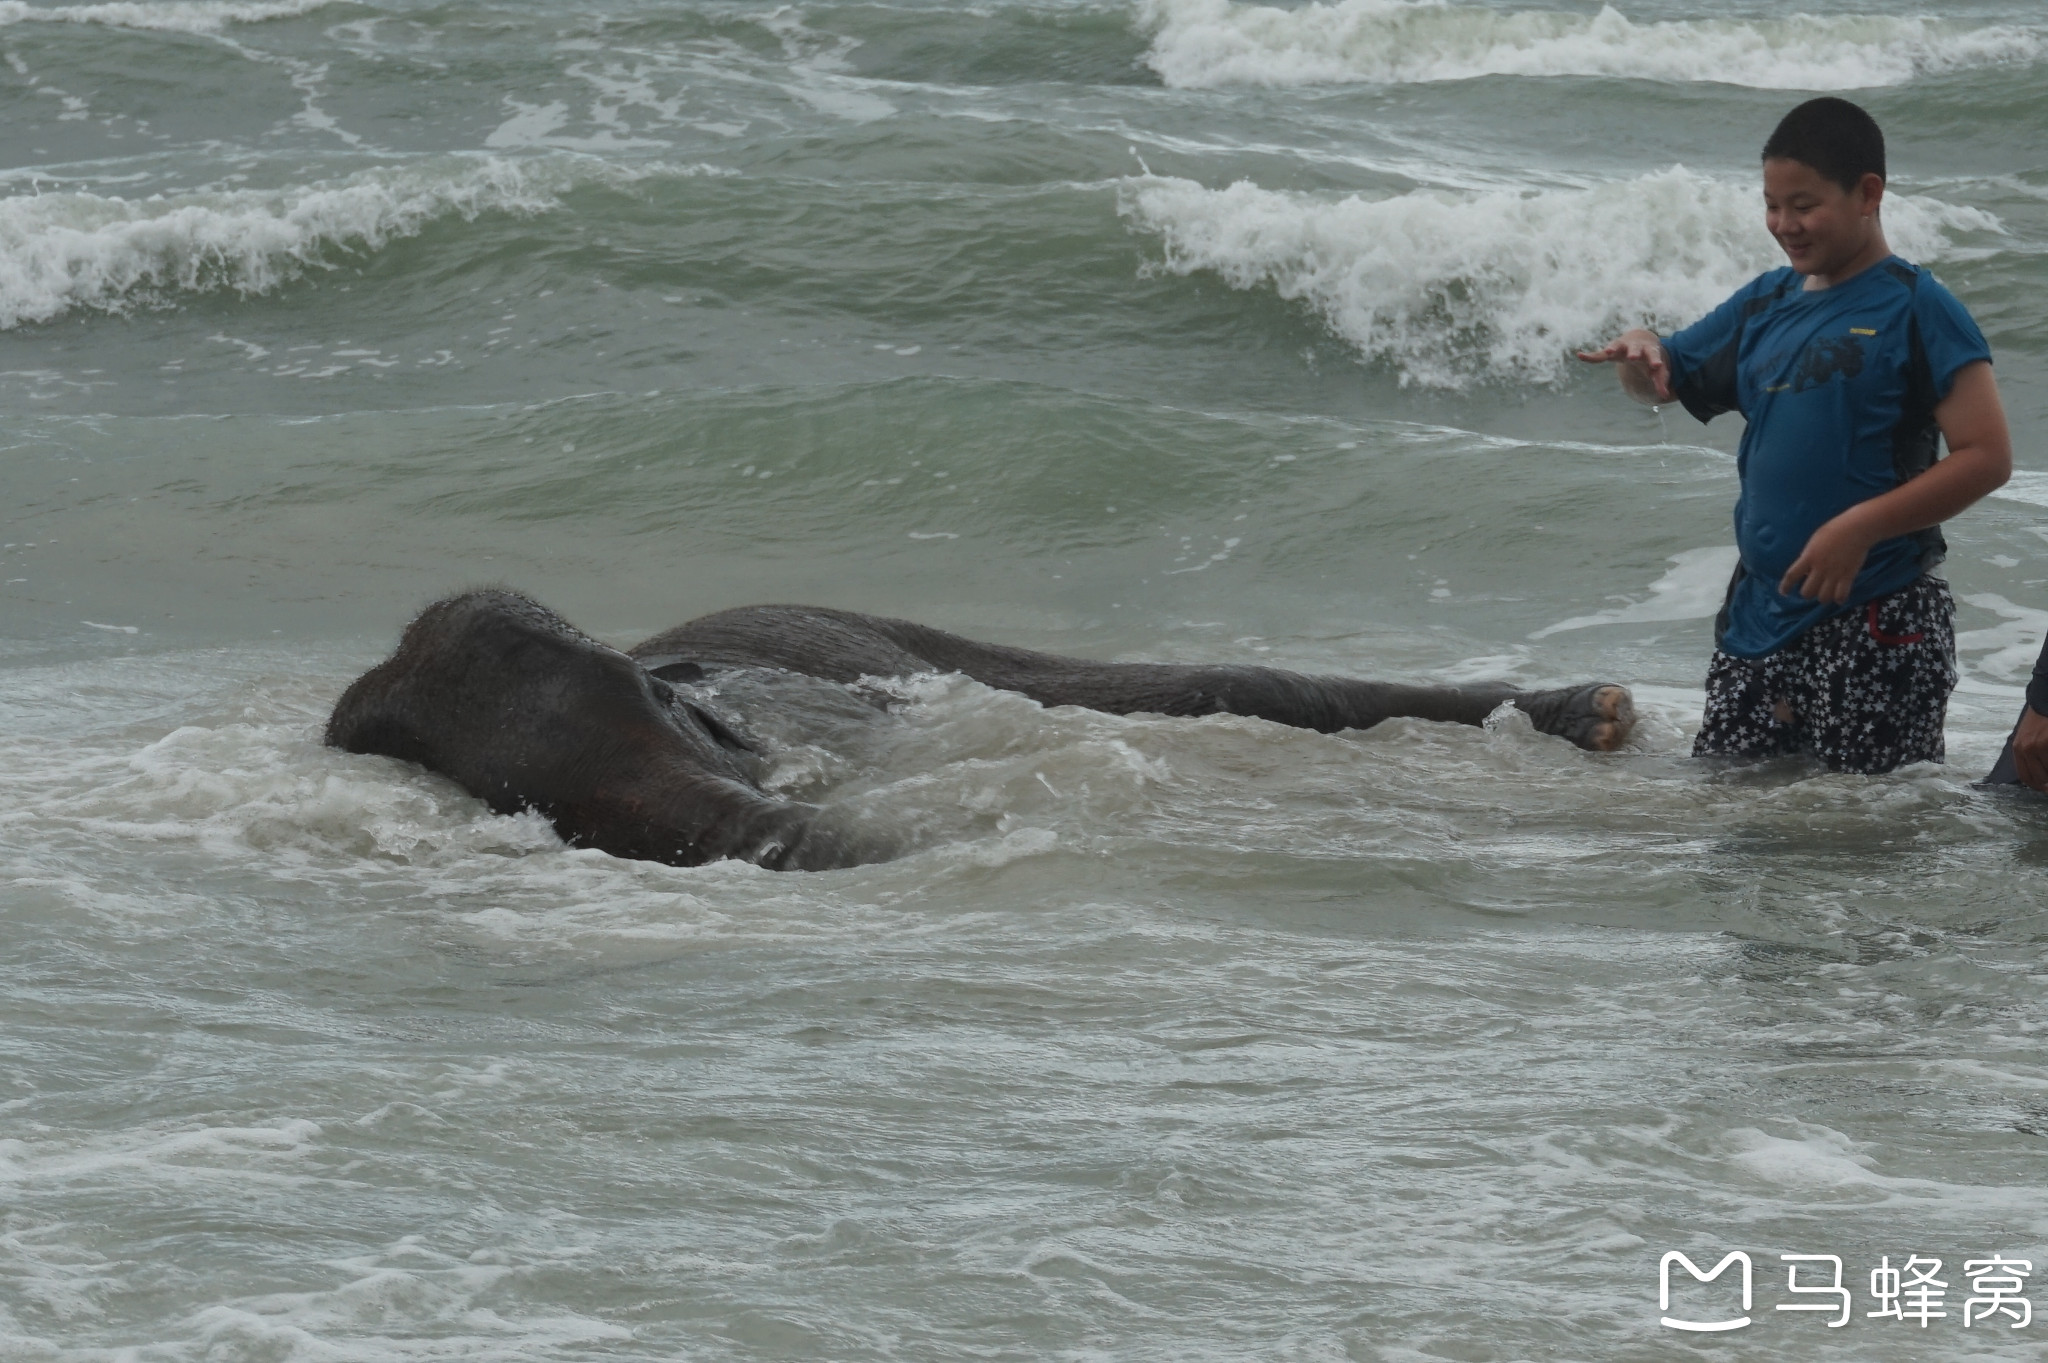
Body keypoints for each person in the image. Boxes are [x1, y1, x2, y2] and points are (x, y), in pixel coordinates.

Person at [1577, 96, 2012, 775]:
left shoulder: (1918, 305)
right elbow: (1665, 377)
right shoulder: (1765, 302)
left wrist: (1861, 526)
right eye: (1772, 205)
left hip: (1877, 618)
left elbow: (1988, 457)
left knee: (1861, 846)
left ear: (1868, 193)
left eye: (1803, 204)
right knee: (1735, 837)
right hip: (1756, 622)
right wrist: (1640, 352)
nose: (1784, 224)